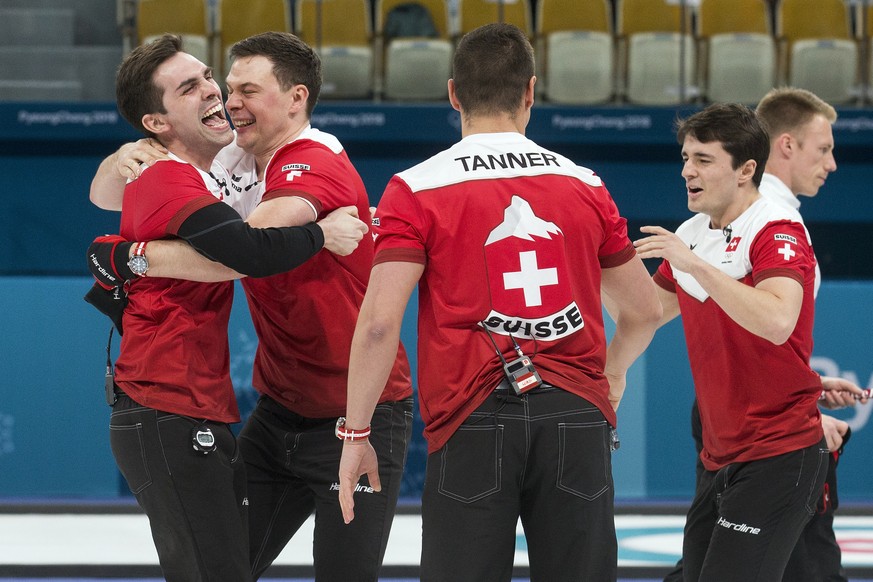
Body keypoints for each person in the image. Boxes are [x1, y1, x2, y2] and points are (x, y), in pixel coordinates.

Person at [338, 23, 662, 582]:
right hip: (575, 415)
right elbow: (646, 311)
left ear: (454, 94)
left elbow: (376, 326)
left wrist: (357, 435)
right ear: (531, 91)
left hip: (473, 417)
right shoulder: (584, 183)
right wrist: (607, 378)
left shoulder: (414, 187)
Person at [88, 31, 414, 582]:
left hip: (359, 412)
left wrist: (128, 256)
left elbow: (243, 255)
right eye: (225, 84)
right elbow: (104, 194)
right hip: (278, 409)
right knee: (220, 569)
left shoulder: (314, 159)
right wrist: (125, 155)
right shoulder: (231, 160)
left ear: (296, 99)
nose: (229, 99)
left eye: (247, 90)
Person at [662, 89, 868, 582]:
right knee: (797, 564)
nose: (833, 164)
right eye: (824, 150)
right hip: (759, 425)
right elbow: (769, 322)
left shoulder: (757, 214)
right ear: (787, 146)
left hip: (758, 417)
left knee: (754, 562)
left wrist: (806, 389)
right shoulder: (764, 216)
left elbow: (765, 331)